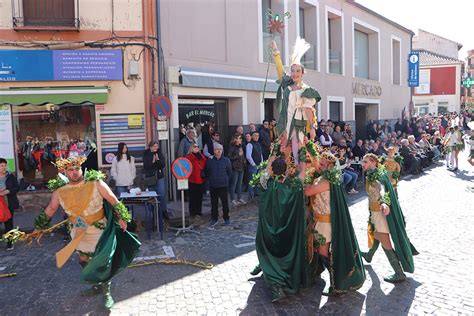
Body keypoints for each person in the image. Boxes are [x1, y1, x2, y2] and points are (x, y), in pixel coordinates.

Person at [35, 156, 140, 309]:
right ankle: (95, 284)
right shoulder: (60, 191)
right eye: (70, 170)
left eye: (77, 168)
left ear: (81, 168)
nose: (74, 172)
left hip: (99, 229)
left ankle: (106, 292)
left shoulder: (95, 183)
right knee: (84, 258)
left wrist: (122, 218)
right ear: (65, 171)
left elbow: (113, 200)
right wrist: (39, 227)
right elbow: (51, 208)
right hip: (78, 231)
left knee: (102, 260)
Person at [304, 151, 365, 295]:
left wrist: (305, 177)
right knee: (319, 250)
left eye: (323, 163)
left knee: (323, 251)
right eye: (320, 162)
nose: (320, 164)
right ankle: (326, 277)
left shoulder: (326, 181)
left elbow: (307, 192)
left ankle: (336, 284)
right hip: (319, 221)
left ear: (330, 166)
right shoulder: (324, 178)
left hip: (325, 223)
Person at [251, 155, 310, 302]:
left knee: (270, 256)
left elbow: (262, 177)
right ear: (286, 170)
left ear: (272, 169)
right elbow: (302, 173)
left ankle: (275, 283)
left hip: (269, 233)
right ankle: (283, 281)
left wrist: (269, 164)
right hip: (287, 234)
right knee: (285, 257)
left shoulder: (266, 185)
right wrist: (301, 154)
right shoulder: (294, 186)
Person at [360, 153, 418, 283]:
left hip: (380, 213)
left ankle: (399, 272)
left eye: (366, 162)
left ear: (374, 162)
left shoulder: (378, 176)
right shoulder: (372, 174)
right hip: (374, 212)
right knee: (376, 234)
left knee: (385, 242)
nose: (363, 164)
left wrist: (385, 204)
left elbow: (384, 192)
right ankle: (369, 255)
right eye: (363, 162)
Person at [271, 38, 321, 163]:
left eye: (298, 71)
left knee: (298, 153)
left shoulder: (307, 90)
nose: (294, 73)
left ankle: (300, 176)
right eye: (292, 71)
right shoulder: (287, 85)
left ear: (303, 73)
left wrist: (313, 127)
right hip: (285, 124)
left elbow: (309, 109)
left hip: (298, 125)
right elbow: (280, 70)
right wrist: (276, 51)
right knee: (282, 152)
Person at [205, 143, 232, 226]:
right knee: (214, 204)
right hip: (213, 185)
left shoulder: (226, 160)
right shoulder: (210, 161)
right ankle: (214, 218)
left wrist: (226, 179)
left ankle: (226, 218)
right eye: (217, 150)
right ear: (214, 151)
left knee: (225, 203)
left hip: (223, 185)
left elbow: (229, 172)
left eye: (220, 150)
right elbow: (207, 172)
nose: (219, 151)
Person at [143, 141, 169, 220]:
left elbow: (162, 165)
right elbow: (146, 166)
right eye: (154, 146)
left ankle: (164, 211)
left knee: (162, 194)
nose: (155, 148)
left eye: (156, 146)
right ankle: (154, 214)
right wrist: (153, 161)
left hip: (159, 177)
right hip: (150, 178)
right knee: (152, 197)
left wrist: (157, 160)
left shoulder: (159, 153)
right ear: (150, 147)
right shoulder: (146, 154)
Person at [0, 158, 20, 250]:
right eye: (1, 166)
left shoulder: (10, 176)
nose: (4, 167)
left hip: (8, 203)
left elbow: (17, 187)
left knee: (9, 224)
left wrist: (8, 191)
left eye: (4, 165)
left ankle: (10, 242)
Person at [186, 143, 206, 224]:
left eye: (197, 147)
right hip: (193, 180)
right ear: (191, 148)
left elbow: (204, 162)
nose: (197, 148)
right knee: (192, 197)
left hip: (201, 179)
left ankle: (198, 212)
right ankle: (192, 213)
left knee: (199, 197)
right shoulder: (189, 157)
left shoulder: (201, 156)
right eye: (195, 147)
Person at [228, 133, 246, 206]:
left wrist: (244, 160)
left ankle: (239, 198)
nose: (241, 139)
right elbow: (229, 157)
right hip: (234, 167)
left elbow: (242, 155)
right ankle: (232, 199)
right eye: (239, 138)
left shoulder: (241, 146)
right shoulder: (231, 147)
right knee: (233, 184)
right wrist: (238, 155)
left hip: (241, 167)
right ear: (235, 139)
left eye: (241, 138)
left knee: (240, 184)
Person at [246, 131, 263, 199]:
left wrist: (261, 163)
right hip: (253, 166)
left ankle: (256, 193)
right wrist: (253, 164)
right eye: (255, 135)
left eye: (258, 136)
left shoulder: (258, 144)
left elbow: (260, 154)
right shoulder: (249, 145)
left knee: (257, 180)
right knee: (252, 181)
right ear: (252, 136)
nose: (256, 137)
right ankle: (251, 195)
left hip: (259, 165)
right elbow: (248, 156)